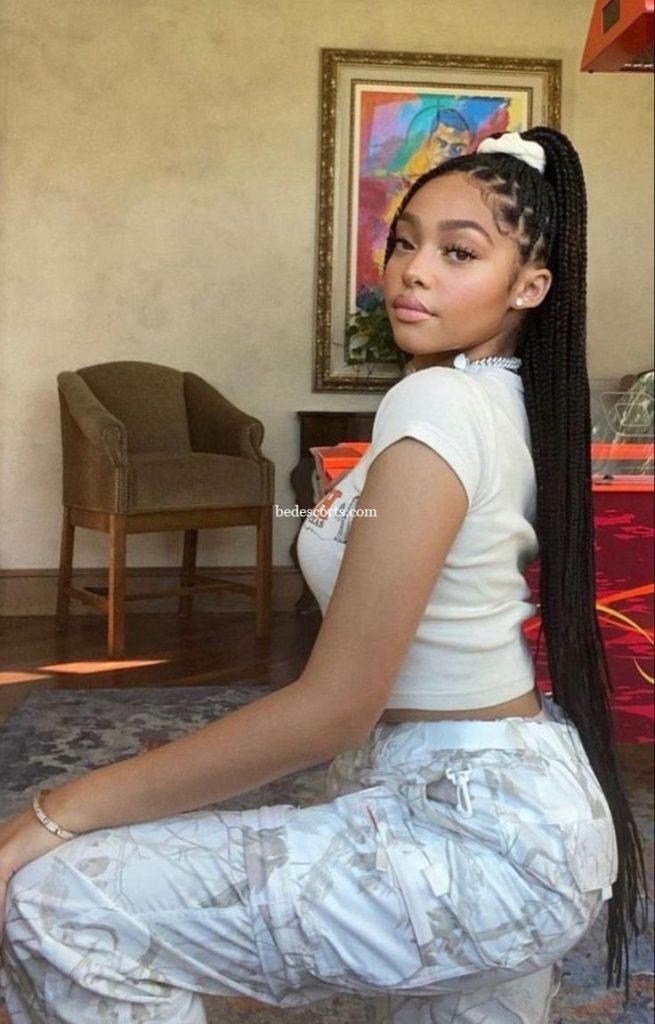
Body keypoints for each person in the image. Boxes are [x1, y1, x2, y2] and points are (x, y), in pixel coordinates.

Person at [0, 127, 647, 1023]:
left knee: (58, 899)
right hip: (530, 810)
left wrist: (57, 810)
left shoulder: (437, 402)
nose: (413, 271)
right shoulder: (513, 403)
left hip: (472, 839)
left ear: (528, 287)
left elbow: (334, 707)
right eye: (404, 242)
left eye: (458, 252)